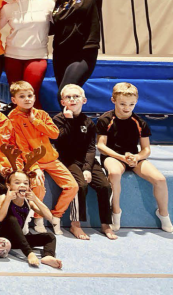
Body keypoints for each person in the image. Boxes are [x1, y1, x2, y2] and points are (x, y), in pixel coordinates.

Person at [97, 82, 173, 233]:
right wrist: (121, 157)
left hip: (133, 157)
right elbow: (101, 146)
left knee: (160, 179)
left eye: (131, 104)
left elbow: (146, 149)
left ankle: (163, 214)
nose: (127, 108)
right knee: (114, 173)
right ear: (113, 100)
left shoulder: (140, 122)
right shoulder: (105, 120)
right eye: (122, 104)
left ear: (136, 102)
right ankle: (116, 211)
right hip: (113, 156)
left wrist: (137, 157)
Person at [9, 80, 78, 234]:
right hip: (32, 161)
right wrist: (34, 167)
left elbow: (55, 134)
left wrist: (35, 121)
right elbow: (22, 146)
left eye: (30, 95)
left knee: (72, 186)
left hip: (51, 159)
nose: (27, 99)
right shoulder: (13, 118)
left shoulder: (41, 114)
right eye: (22, 96)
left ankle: (56, 216)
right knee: (38, 186)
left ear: (34, 97)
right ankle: (38, 218)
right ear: (14, 100)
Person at [52, 84, 116, 240]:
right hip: (68, 159)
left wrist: (87, 168)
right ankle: (75, 224)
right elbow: (62, 142)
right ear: (62, 102)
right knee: (80, 186)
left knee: (105, 186)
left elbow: (91, 147)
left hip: (86, 160)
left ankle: (106, 224)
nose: (72, 99)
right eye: (68, 97)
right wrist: (69, 121)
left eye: (76, 96)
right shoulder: (58, 120)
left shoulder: (88, 122)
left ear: (84, 100)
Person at [0, 0, 54, 109]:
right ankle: (16, 123)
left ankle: (40, 123)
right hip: (12, 57)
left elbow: (61, 23)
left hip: (37, 56)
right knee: (17, 99)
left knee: (29, 95)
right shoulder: (8, 8)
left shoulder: (46, 2)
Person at [0, 171, 62, 269]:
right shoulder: (4, 198)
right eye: (17, 182)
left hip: (20, 240)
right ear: (8, 185)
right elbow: (0, 218)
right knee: (11, 219)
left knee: (50, 237)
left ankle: (48, 256)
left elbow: (49, 217)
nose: (22, 185)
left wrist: (35, 199)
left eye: (25, 183)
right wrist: (8, 199)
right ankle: (29, 253)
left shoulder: (28, 202)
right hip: (5, 239)